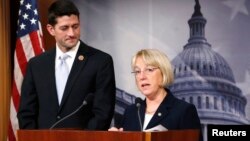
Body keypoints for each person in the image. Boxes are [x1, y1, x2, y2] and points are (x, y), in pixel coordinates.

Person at [17, 0, 116, 130]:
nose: (72, 33)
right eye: (64, 28)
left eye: (75, 26)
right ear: (51, 29)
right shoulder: (36, 65)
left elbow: (103, 112)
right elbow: (26, 113)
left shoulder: (100, 61)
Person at [109, 49, 202, 140]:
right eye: (137, 71)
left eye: (149, 70)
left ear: (164, 72)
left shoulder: (184, 111)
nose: (142, 77)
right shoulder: (131, 112)